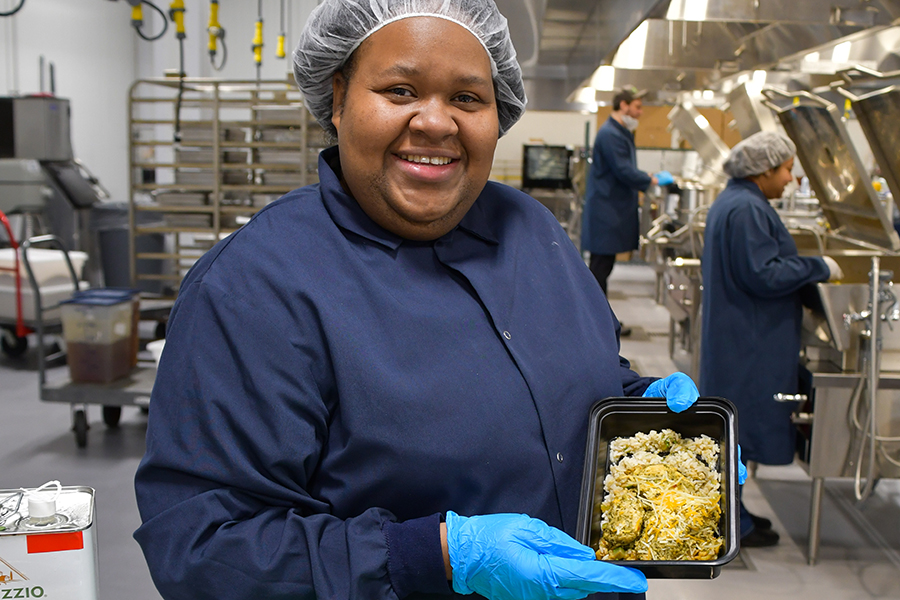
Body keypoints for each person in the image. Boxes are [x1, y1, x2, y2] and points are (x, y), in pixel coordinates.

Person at [133, 2, 708, 599]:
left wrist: (648, 416)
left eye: (466, 98)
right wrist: (433, 557)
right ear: (338, 98)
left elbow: (575, 369)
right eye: (400, 89)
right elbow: (204, 550)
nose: (436, 123)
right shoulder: (254, 287)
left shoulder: (532, 231)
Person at [699, 131, 843, 548]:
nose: (790, 179)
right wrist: (818, 266)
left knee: (733, 432)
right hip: (750, 342)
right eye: (786, 170)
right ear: (763, 170)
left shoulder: (739, 201)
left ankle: (736, 514)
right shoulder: (746, 208)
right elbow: (763, 274)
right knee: (740, 430)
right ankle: (733, 524)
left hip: (740, 336)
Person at [580, 87, 673, 332]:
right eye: (638, 107)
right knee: (599, 270)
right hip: (606, 211)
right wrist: (651, 181)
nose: (640, 113)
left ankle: (599, 322)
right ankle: (595, 324)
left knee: (602, 269)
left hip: (611, 209)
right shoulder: (611, 133)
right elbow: (622, 170)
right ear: (623, 105)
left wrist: (647, 176)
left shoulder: (620, 132)